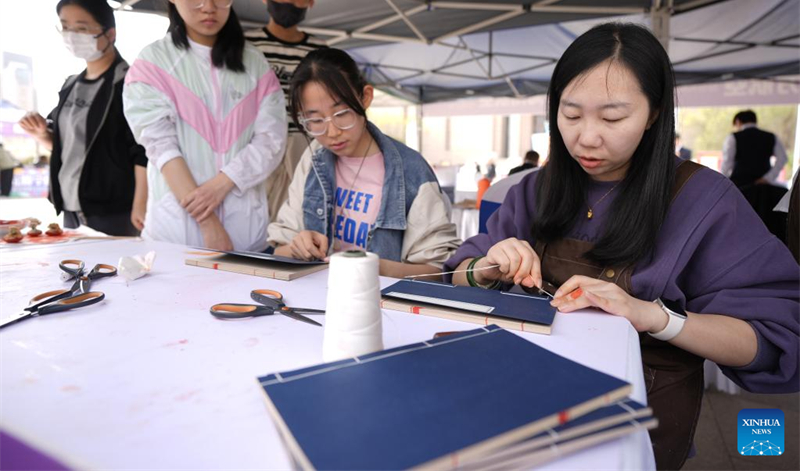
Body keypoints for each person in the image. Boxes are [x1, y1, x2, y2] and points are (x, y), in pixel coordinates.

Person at [444, 23, 799, 470]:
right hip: (526, 398)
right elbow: (456, 269)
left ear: (654, 114)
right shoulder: (536, 190)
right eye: (570, 115)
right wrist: (486, 267)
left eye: (612, 118)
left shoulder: (705, 201)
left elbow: (772, 339)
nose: (587, 137)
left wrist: (654, 316)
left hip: (640, 415)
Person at [123, 0, 287, 251]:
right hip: (177, 238)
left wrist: (222, 183)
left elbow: (272, 139)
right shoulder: (152, 64)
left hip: (248, 234)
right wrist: (209, 224)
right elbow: (162, 149)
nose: (208, 6)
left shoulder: (254, 63)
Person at [268, 48, 461, 278]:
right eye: (315, 120)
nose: (332, 132)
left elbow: (440, 271)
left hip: (380, 307)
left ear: (365, 97)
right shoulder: (314, 159)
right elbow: (279, 250)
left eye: (342, 114)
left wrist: (375, 268)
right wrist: (297, 247)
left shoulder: (411, 171)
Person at [19, 0, 146, 235]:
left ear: (110, 34)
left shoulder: (129, 83)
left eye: (82, 28)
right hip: (72, 208)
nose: (72, 36)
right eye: (65, 27)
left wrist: (141, 204)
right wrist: (42, 135)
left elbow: (143, 150)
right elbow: (70, 146)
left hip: (117, 210)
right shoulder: (71, 85)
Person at [245, 0, 327, 223]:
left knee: (299, 224)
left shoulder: (320, 53)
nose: (288, 0)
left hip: (306, 148)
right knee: (255, 225)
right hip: (255, 147)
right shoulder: (245, 47)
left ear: (310, 2)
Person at [721, 109, 787, 188]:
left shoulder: (733, 137)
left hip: (740, 186)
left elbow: (727, 163)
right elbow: (782, 158)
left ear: (738, 121)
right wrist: (768, 178)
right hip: (763, 187)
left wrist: (721, 182)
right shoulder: (771, 137)